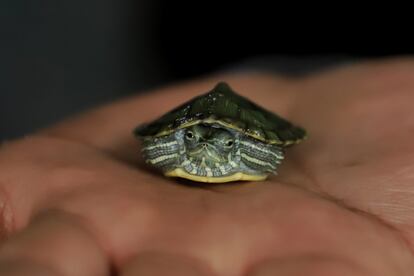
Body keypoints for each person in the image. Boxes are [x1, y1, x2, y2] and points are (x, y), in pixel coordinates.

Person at [0, 59, 413, 276]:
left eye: (223, 141)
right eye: (196, 138)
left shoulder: (258, 151)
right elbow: (154, 144)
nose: (209, 144)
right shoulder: (173, 145)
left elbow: (271, 150)